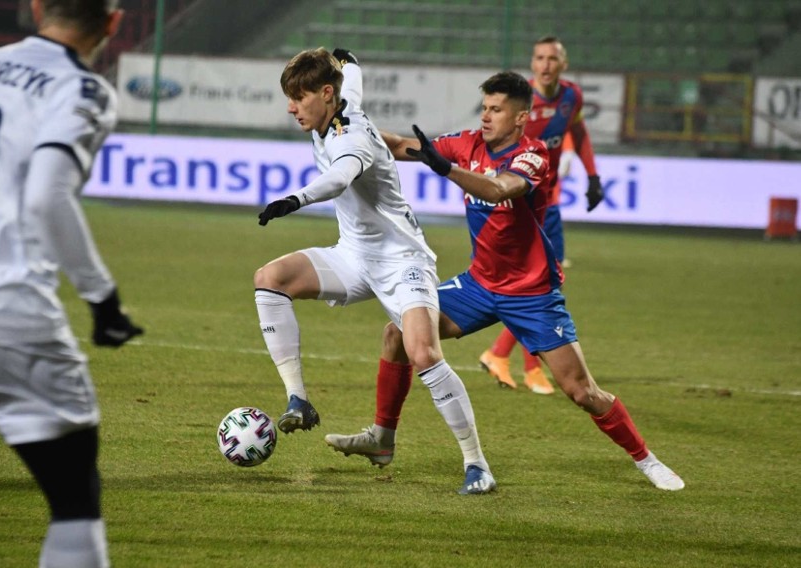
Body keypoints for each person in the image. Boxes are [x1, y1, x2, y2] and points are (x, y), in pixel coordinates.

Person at [325, 71, 684, 491]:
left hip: (532, 294)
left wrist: (448, 170)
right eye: (484, 108)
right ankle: (383, 439)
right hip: (479, 285)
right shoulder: (467, 143)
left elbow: (499, 190)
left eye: (496, 110)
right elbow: (405, 146)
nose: (487, 117)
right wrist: (347, 124)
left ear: (520, 117)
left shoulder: (533, 155)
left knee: (582, 391)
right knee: (397, 334)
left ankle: (647, 460)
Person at [0, 1, 144, 566]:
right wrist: (102, 299)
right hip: (6, 309)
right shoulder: (81, 89)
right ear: (113, 21)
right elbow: (45, 195)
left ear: (36, 7)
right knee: (73, 501)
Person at [254, 48, 495, 495]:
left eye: (298, 97)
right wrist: (349, 60)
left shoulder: (353, 138)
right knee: (270, 278)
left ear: (326, 94)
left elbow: (340, 178)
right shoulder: (338, 104)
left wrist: (294, 200)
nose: (291, 107)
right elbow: (353, 82)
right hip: (353, 255)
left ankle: (476, 463)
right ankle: (298, 400)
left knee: (422, 353)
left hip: (402, 261)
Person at [479, 36, 604, 395]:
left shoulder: (571, 97)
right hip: (519, 206)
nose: (545, 64)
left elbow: (577, 132)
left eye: (552, 58)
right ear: (532, 64)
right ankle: (511, 359)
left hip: (547, 203)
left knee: (544, 283)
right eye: (539, 58)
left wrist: (593, 176)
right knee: (536, 285)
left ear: (563, 64)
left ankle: (515, 360)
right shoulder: (520, 105)